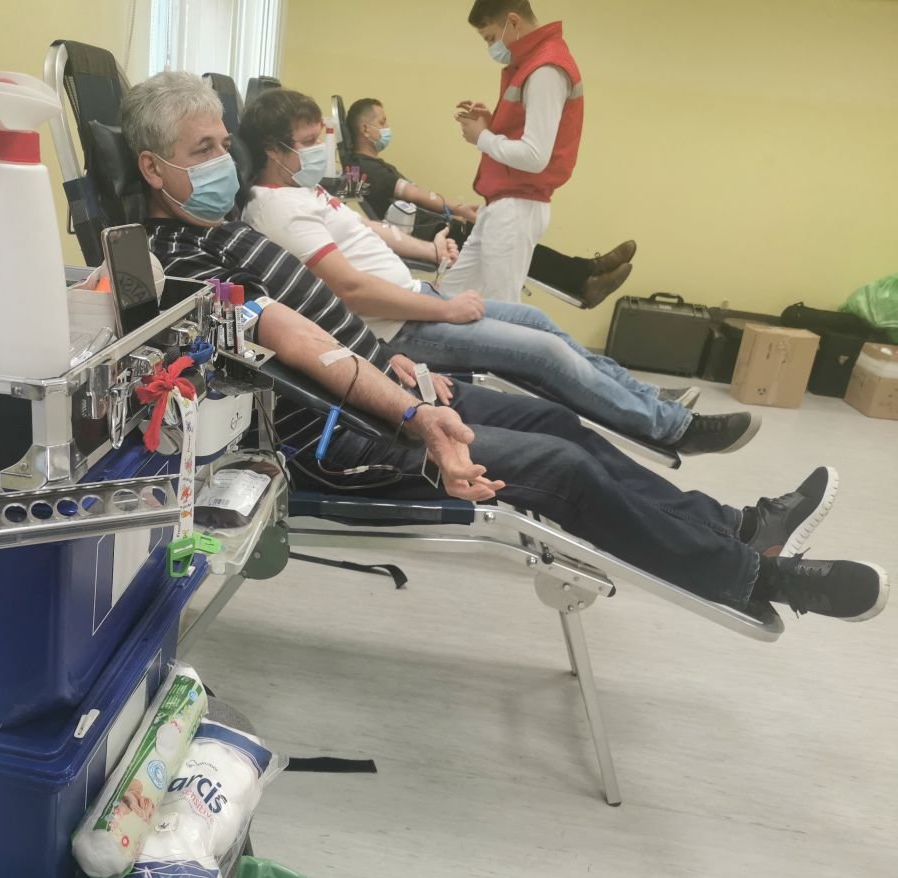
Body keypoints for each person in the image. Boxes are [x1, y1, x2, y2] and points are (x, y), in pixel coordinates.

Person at [119, 70, 887, 623]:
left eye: (224, 142)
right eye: (203, 147)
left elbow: (328, 323)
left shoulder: (222, 228)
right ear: (154, 168)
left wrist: (396, 362)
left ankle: (736, 524)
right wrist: (414, 414)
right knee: (561, 470)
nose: (223, 160)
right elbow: (300, 342)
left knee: (556, 422)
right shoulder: (177, 262)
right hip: (338, 440)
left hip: (389, 387)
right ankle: (756, 576)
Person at [237, 87, 749, 454]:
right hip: (399, 328)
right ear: (274, 151)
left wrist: (430, 252)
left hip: (417, 298)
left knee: (542, 323)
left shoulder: (303, 189)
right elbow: (351, 291)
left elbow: (370, 231)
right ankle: (672, 429)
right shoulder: (277, 209)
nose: (320, 148)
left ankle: (650, 400)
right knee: (545, 353)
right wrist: (446, 308)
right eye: (309, 141)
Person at [344, 96, 633, 309]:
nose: (387, 128)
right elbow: (416, 195)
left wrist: (456, 211)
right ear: (365, 129)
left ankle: (588, 271)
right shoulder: (367, 168)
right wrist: (457, 209)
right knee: (513, 243)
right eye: (382, 122)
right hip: (432, 235)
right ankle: (584, 277)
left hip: (436, 227)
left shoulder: (369, 166)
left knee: (515, 245)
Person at [446, 0, 584, 305]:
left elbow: (535, 157)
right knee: (449, 298)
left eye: (491, 38)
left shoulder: (545, 68)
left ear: (513, 21)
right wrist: (491, 125)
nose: (491, 48)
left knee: (502, 311)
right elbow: (524, 133)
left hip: (517, 205)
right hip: (503, 203)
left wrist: (482, 137)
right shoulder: (531, 63)